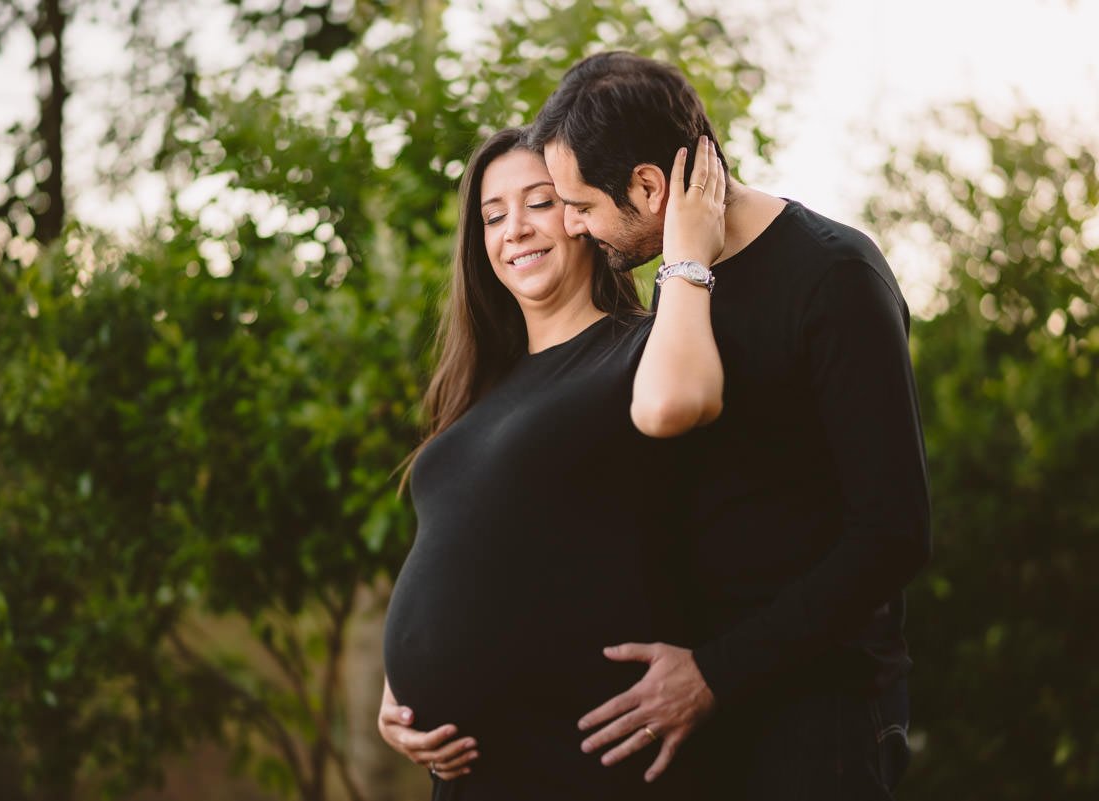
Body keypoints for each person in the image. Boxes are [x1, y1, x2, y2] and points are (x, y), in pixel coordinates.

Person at [520, 52, 933, 799]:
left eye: (580, 206)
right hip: (702, 716)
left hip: (819, 719)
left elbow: (893, 530)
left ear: (648, 186)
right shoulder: (675, 292)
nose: (574, 229)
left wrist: (716, 671)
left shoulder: (835, 278)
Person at [378, 126, 727, 800]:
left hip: (585, 759)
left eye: (539, 203)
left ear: (582, 213)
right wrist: (402, 685)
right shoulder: (481, 390)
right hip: (474, 774)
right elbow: (466, 546)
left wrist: (686, 245)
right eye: (492, 215)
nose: (514, 229)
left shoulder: (642, 355)